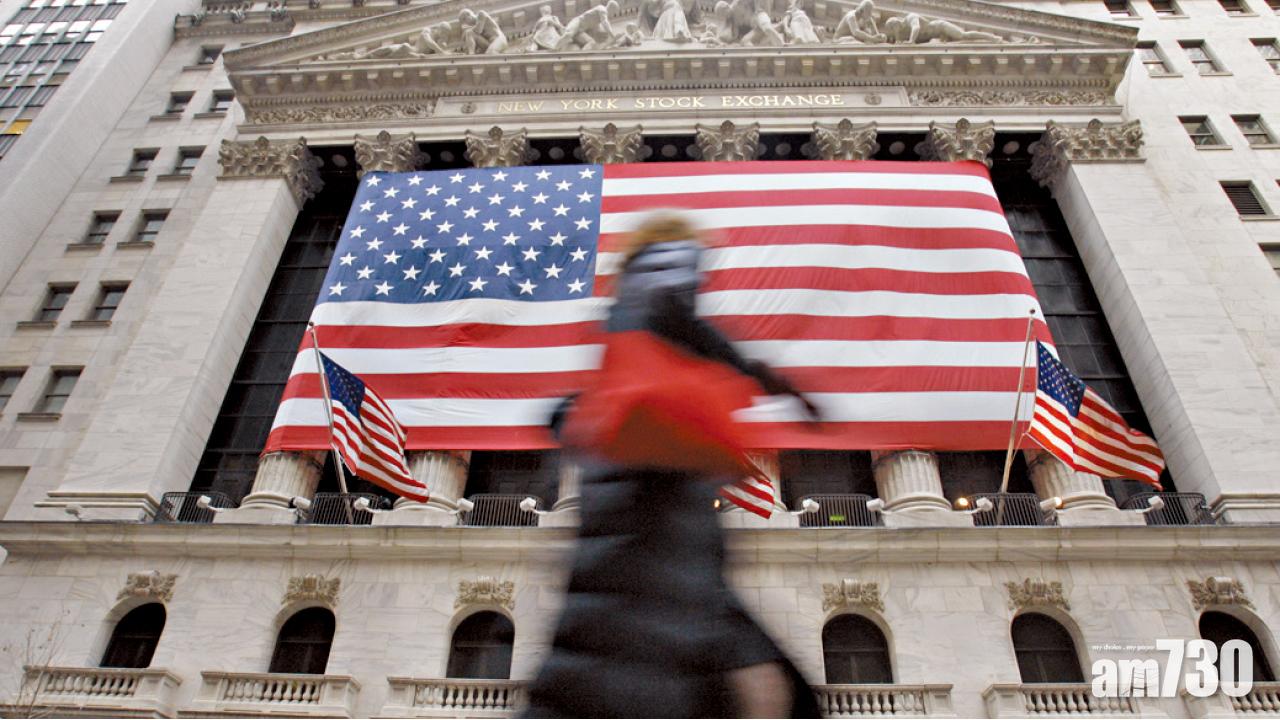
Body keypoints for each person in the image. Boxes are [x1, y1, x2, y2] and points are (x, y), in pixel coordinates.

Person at [525, 214, 820, 718]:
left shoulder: (621, 325)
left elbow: (578, 408)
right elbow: (670, 307)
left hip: (636, 502)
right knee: (716, 664)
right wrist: (764, 377)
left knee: (611, 657)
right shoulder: (667, 263)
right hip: (660, 496)